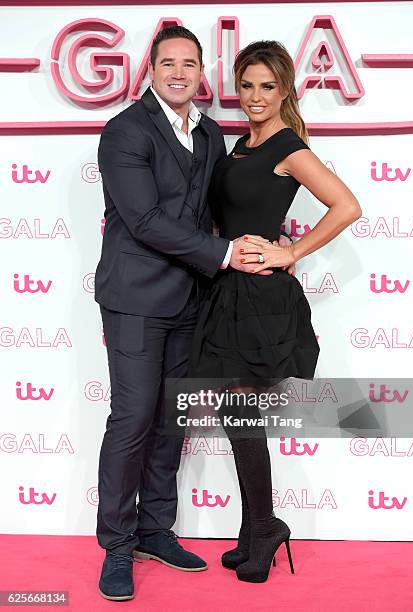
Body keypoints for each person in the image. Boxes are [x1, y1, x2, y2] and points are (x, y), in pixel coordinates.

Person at [94, 27, 292, 601]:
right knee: (131, 421)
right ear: (150, 70)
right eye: (168, 63)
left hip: (192, 301)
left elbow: (219, 207)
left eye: (189, 63)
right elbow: (146, 220)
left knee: (170, 424)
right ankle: (116, 545)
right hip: (134, 300)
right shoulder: (125, 131)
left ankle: (156, 530)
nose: (179, 72)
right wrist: (229, 254)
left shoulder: (208, 133)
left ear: (200, 71)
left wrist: (274, 248)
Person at [189, 40, 362, 583]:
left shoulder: (287, 146)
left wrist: (289, 251)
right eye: (247, 85)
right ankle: (256, 527)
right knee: (233, 414)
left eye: (268, 86)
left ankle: (263, 528)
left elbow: (348, 206)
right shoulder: (240, 144)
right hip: (227, 292)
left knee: (242, 414)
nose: (256, 96)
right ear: (236, 88)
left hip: (261, 301)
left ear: (285, 90)